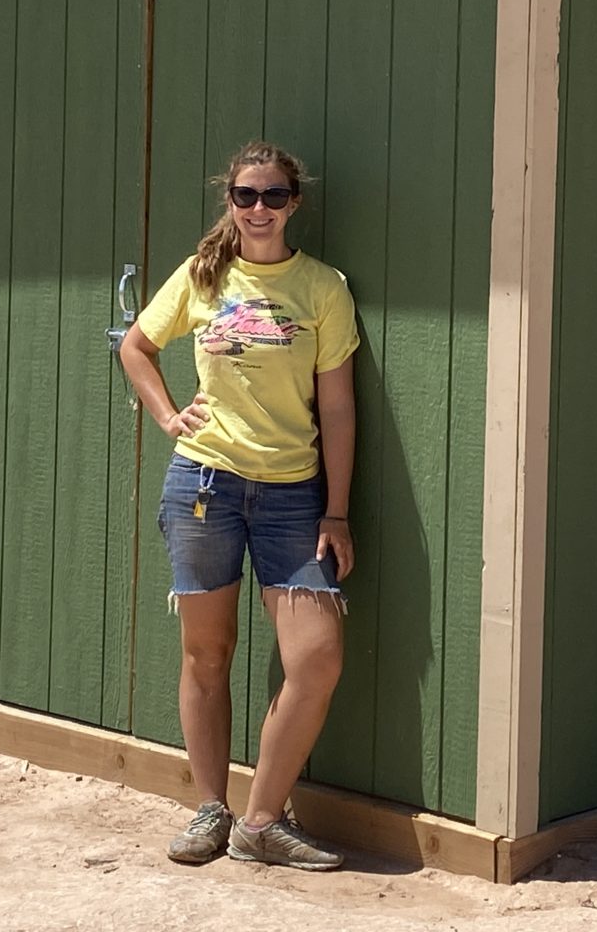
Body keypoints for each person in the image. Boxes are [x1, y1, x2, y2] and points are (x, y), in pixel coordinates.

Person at [118, 140, 358, 871]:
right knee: (206, 653)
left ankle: (260, 824)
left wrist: (337, 511)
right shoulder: (202, 276)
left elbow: (339, 406)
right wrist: (167, 417)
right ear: (229, 201)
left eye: (274, 196)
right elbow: (136, 346)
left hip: (295, 500)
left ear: (295, 204)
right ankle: (211, 808)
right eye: (246, 196)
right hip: (204, 488)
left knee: (315, 660)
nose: (259, 209)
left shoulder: (322, 287)